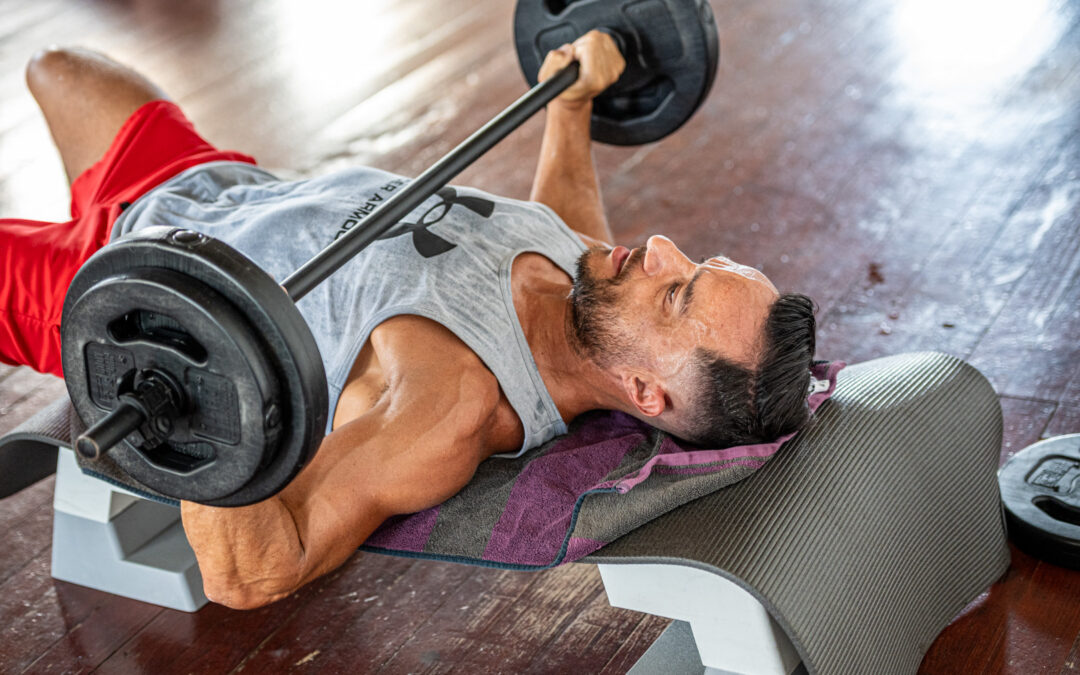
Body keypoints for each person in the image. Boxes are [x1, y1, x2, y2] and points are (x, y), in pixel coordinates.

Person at [2, 32, 816, 609]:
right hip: (210, 186)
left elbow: (253, 573)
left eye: (677, 294)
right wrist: (573, 105)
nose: (664, 250)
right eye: (696, 263)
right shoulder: (587, 287)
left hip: (123, 285)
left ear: (643, 389)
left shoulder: (446, 408)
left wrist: (204, 383)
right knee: (53, 64)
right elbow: (560, 220)